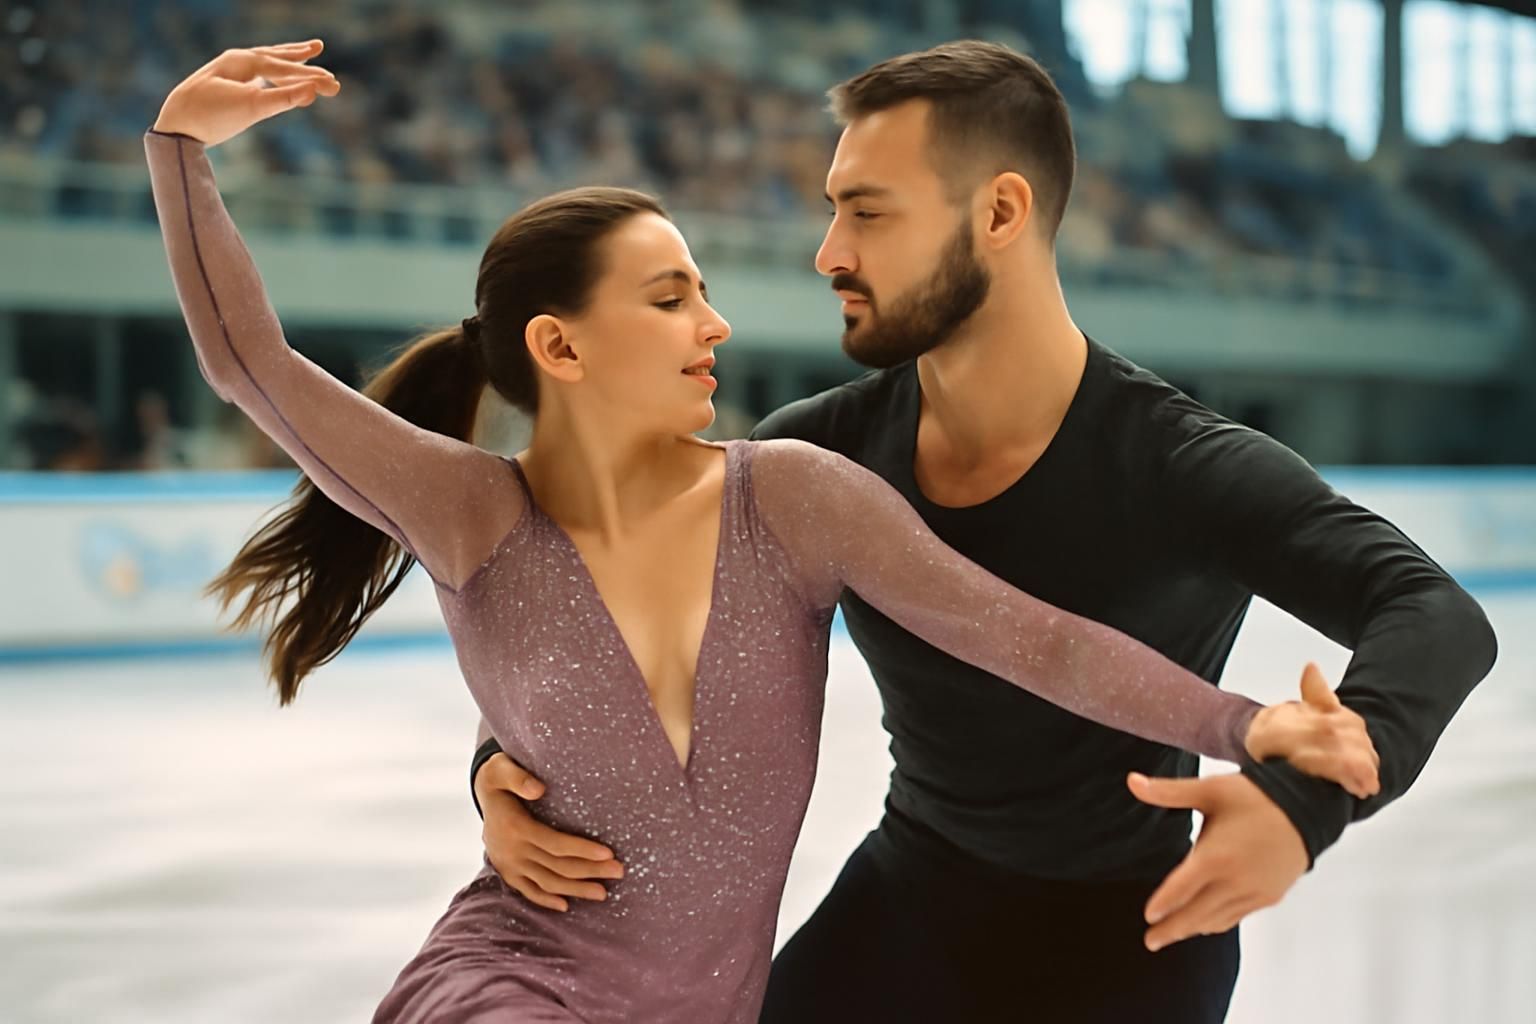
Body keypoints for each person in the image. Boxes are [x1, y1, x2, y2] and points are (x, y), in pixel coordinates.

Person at [144, 40, 1381, 1024]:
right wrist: (180, 148)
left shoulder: (795, 493)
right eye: (673, 295)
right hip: (513, 986)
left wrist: (1246, 724)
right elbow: (252, 364)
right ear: (561, 346)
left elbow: (1035, 642)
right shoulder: (472, 514)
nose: (718, 324)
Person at [469, 41, 1499, 1023]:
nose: (829, 253)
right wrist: (497, 773)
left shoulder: (1180, 465)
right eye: (834, 211)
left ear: (1000, 210)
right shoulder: (816, 461)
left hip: (1136, 937)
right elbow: (621, 619)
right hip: (909, 900)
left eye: (867, 213)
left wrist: (1300, 803)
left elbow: (1432, 611)